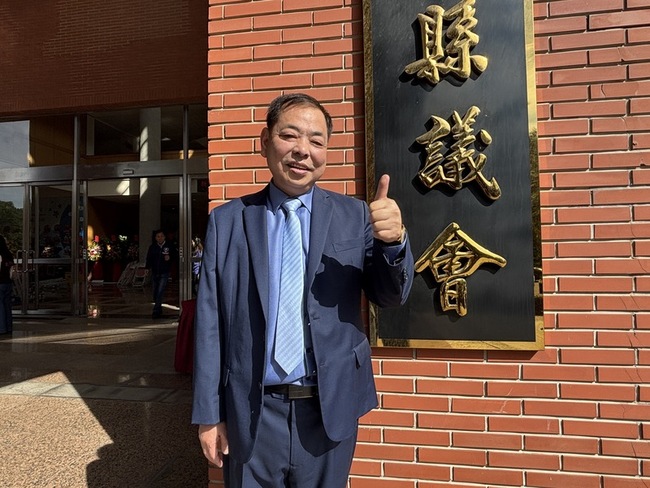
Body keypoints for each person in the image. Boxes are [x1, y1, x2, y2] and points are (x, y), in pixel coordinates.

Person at [192, 93, 415, 487]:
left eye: (316, 140)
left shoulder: (355, 215)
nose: (302, 151)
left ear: (326, 151)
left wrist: (393, 243)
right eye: (289, 136)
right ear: (265, 142)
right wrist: (209, 414)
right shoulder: (228, 221)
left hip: (329, 408)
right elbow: (210, 322)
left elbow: (390, 296)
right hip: (252, 411)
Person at [145, 229, 176, 319]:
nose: (160, 238)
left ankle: (156, 311)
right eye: (158, 236)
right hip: (155, 271)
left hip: (164, 272)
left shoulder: (169, 246)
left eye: (162, 236)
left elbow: (175, 255)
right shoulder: (153, 247)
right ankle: (158, 308)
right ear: (155, 238)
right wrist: (147, 268)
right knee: (155, 292)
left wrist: (169, 258)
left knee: (160, 291)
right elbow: (149, 258)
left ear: (164, 237)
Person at [0, 235, 15, 335]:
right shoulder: (8, 254)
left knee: (0, 305)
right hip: (8, 282)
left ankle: (2, 328)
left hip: (0, 282)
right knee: (7, 305)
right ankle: (8, 327)